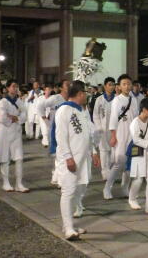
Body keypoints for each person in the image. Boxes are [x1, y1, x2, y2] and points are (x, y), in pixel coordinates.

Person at [55, 80, 100, 240]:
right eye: (85, 93)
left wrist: (94, 152)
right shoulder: (64, 110)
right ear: (80, 94)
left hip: (83, 159)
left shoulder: (81, 110)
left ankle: (70, 224)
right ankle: (68, 229)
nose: (86, 96)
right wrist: (68, 157)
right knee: (68, 192)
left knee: (77, 192)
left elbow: (88, 134)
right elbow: (60, 136)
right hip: (71, 159)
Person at [103, 74, 138, 200]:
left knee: (130, 163)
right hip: (120, 134)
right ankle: (107, 188)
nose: (127, 86)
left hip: (132, 136)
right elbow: (113, 118)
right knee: (118, 163)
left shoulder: (134, 99)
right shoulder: (117, 100)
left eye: (129, 84)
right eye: (124, 84)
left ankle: (125, 188)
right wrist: (113, 136)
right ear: (119, 86)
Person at [127, 97, 148, 213]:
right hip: (139, 153)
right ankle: (132, 198)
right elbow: (136, 140)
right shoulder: (135, 123)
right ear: (144, 109)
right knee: (138, 180)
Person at [0, 79, 29, 193]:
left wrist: (15, 117)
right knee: (5, 158)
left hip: (16, 131)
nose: (15, 88)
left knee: (19, 158)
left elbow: (25, 114)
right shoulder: (3, 102)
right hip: (5, 132)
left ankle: (19, 183)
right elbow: (3, 118)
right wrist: (16, 117)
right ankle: (6, 183)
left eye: (16, 86)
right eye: (13, 86)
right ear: (8, 88)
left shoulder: (19, 101)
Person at [39, 80, 70, 184]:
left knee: (63, 153)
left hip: (68, 129)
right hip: (55, 129)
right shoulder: (55, 98)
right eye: (67, 84)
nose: (69, 86)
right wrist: (45, 118)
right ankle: (60, 179)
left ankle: (56, 176)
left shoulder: (71, 98)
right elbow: (40, 106)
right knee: (59, 153)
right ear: (61, 88)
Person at [92, 77, 116, 180]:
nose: (112, 86)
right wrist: (98, 127)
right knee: (103, 150)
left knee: (113, 151)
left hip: (114, 129)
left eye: (113, 84)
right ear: (105, 86)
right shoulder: (99, 99)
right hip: (102, 128)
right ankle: (105, 172)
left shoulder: (117, 99)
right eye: (110, 84)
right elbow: (95, 115)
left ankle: (110, 169)